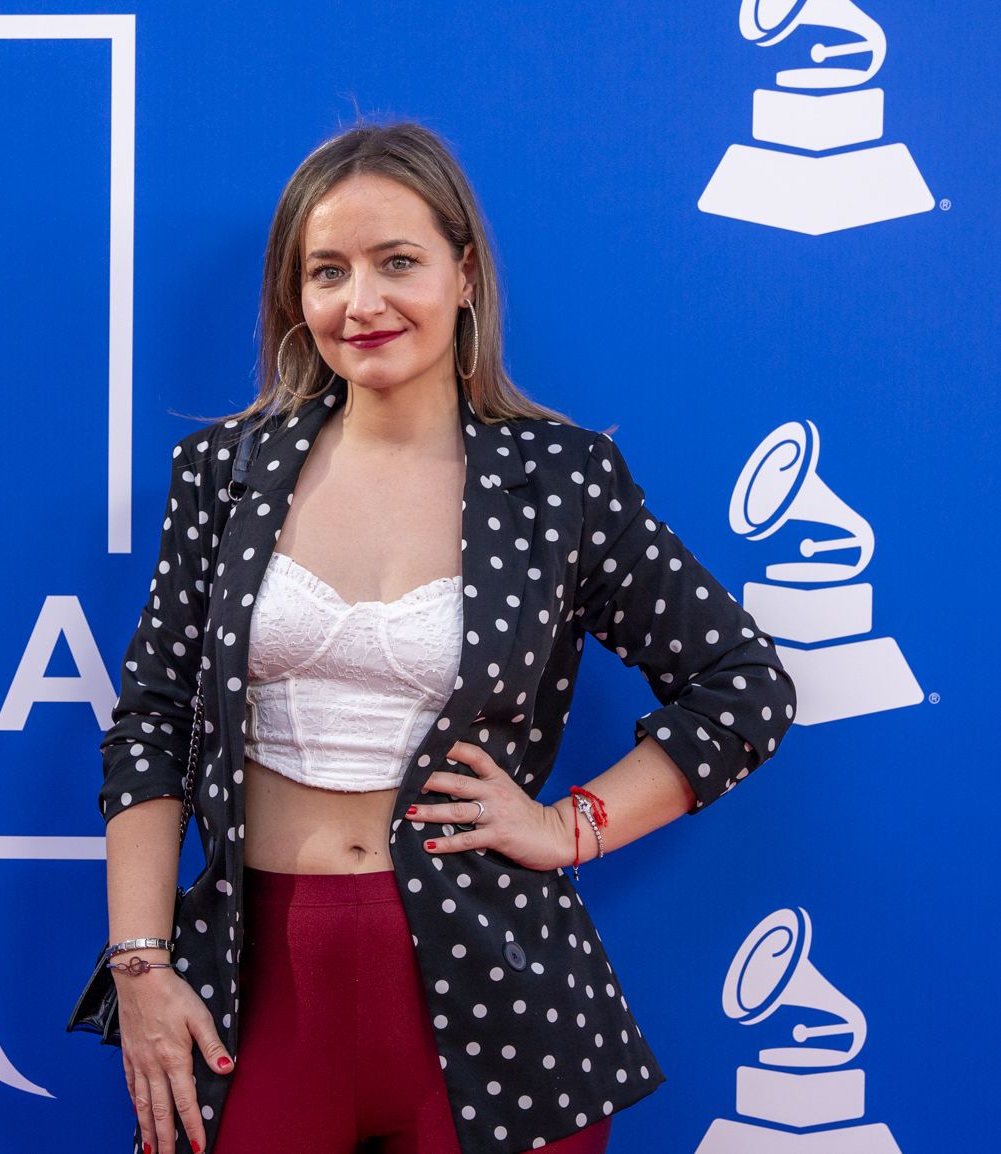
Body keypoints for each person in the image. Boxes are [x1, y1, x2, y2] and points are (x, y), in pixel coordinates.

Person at [95, 121, 796, 1154]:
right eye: (326, 271)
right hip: (255, 991)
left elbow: (742, 686)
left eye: (398, 262)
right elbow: (153, 720)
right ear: (295, 296)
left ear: (464, 275)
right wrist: (140, 963)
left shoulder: (560, 481)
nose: (361, 302)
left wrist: (571, 827)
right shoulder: (221, 472)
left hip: (503, 1000)